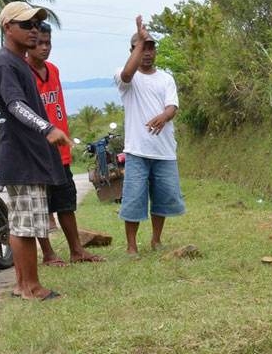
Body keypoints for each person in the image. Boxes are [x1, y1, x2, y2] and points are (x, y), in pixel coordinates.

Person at [0, 2, 72, 300]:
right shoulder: (5, 63)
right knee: (26, 224)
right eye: (26, 24)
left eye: (37, 24)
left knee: (23, 222)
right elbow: (15, 105)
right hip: (22, 156)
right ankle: (31, 287)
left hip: (25, 156)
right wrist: (47, 128)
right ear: (7, 27)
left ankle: (21, 284)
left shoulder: (17, 62)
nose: (34, 30)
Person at [26, 22, 105, 265]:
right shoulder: (23, 73)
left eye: (48, 43)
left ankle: (77, 250)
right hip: (37, 153)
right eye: (39, 43)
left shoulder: (54, 70)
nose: (44, 48)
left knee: (66, 203)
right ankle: (48, 254)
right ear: (29, 44)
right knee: (41, 206)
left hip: (60, 152)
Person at [115, 16, 185, 256]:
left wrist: (164, 117)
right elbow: (126, 74)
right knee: (133, 200)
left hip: (164, 151)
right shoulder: (127, 78)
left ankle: (156, 240)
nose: (148, 52)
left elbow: (172, 106)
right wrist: (139, 40)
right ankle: (131, 245)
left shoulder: (166, 78)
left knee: (163, 199)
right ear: (134, 50)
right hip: (137, 150)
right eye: (143, 47)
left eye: (151, 47)